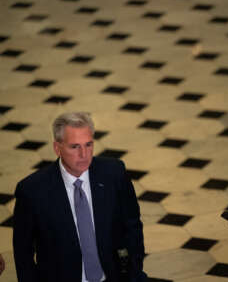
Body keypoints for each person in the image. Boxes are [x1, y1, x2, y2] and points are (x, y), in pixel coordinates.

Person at [13, 112, 147, 282]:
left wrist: (134, 273)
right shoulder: (32, 191)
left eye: (89, 144)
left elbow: (133, 227)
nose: (84, 154)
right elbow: (23, 254)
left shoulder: (114, 173)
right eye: (75, 147)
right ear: (57, 148)